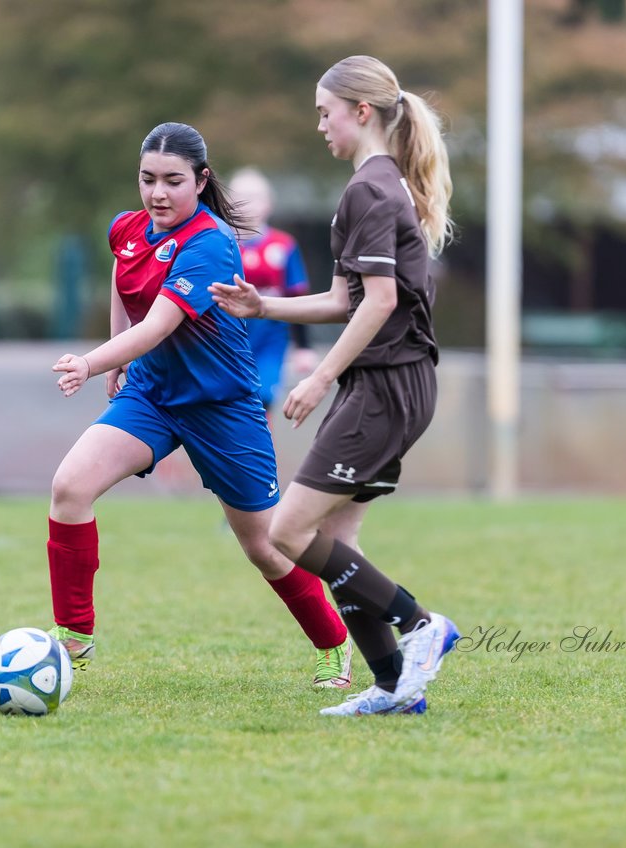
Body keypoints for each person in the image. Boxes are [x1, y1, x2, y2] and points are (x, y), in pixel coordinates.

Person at [47, 121, 352, 689]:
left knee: (264, 545)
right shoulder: (129, 228)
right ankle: (73, 636)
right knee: (70, 488)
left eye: (172, 181)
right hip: (153, 397)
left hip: (222, 408)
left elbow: (160, 324)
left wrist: (91, 361)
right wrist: (116, 363)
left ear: (200, 180)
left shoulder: (210, 243)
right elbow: (122, 274)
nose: (157, 193)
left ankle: (334, 644)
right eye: (147, 179)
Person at [209, 56, 459, 716]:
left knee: (285, 534)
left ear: (361, 112)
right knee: (337, 543)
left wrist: (320, 376)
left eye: (325, 112)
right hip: (386, 385)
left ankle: (422, 624)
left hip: (384, 388)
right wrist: (263, 307)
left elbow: (376, 303)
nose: (319, 124)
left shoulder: (370, 190)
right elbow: (344, 298)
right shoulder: (380, 185)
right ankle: (390, 686)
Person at [228, 168, 319, 417]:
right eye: (240, 197)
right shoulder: (221, 244)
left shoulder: (283, 246)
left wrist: (303, 347)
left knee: (260, 402)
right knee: (229, 406)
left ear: (268, 203)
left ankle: (260, 455)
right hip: (229, 340)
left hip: (270, 342)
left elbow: (297, 296)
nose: (247, 205)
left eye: (255, 197)